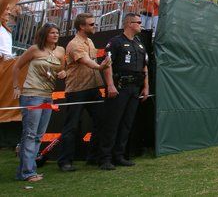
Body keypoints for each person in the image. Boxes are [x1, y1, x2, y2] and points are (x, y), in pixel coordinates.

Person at [57, 13, 111, 172]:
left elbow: (91, 61)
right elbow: (87, 62)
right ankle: (65, 162)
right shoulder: (74, 44)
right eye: (92, 24)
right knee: (72, 127)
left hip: (93, 88)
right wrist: (101, 67)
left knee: (101, 122)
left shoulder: (90, 41)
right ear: (82, 26)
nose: (95, 26)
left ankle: (94, 157)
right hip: (77, 90)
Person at [12, 23, 66, 182]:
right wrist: (16, 86)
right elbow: (17, 67)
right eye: (52, 33)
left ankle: (26, 170)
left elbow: (61, 70)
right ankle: (27, 173)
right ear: (45, 35)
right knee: (30, 134)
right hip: (31, 94)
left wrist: (63, 73)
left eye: (57, 32)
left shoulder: (60, 51)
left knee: (38, 136)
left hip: (48, 95)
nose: (55, 35)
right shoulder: (34, 49)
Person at [99, 13, 149, 170]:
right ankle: (105, 158)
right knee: (112, 123)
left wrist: (146, 86)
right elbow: (107, 63)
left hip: (135, 88)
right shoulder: (116, 41)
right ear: (129, 23)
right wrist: (110, 85)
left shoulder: (139, 43)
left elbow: (144, 66)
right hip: (119, 87)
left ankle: (119, 155)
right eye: (138, 22)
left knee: (127, 123)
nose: (141, 24)